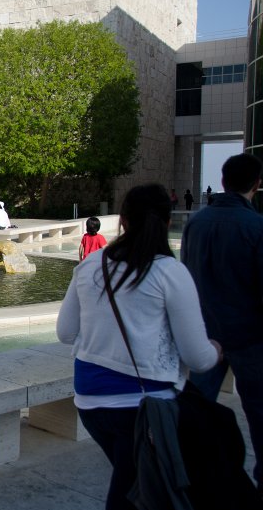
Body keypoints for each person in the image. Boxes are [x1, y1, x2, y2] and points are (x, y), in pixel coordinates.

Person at [56, 184, 220, 510]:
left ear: (123, 221)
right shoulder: (170, 272)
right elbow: (198, 358)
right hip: (144, 407)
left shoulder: (91, 265)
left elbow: (65, 332)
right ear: (166, 221)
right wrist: (218, 348)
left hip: (89, 401)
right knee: (140, 490)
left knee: (134, 481)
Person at [181, 153, 263, 494]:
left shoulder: (195, 224)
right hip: (249, 338)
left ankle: (185, 474)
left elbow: (185, 276)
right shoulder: (256, 227)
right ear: (256, 185)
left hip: (205, 334)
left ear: (224, 181)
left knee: (193, 410)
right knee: (259, 414)